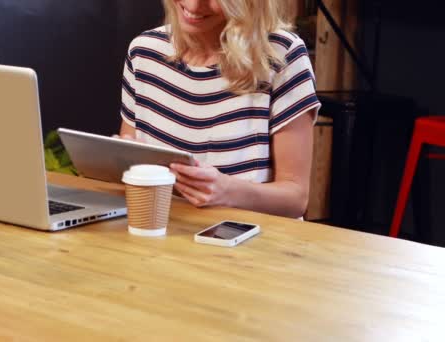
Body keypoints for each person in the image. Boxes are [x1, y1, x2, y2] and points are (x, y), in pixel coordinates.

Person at [118, 0, 321, 218]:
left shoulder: (282, 55)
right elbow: (128, 161)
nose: (194, 6)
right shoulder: (144, 51)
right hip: (165, 232)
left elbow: (296, 198)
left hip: (250, 241)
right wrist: (123, 158)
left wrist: (228, 192)